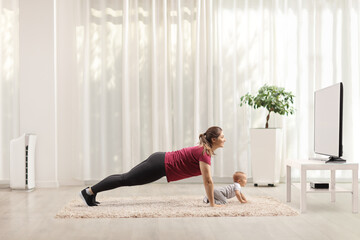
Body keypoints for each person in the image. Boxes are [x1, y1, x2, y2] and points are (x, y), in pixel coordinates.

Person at [79, 126, 226, 207]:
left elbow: (207, 180)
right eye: (222, 137)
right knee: (126, 179)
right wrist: (212, 204)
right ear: (214, 139)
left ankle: (91, 193)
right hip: (160, 165)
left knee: (126, 178)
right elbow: (208, 181)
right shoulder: (204, 153)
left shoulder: (204, 151)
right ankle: (89, 192)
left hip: (160, 161)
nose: (224, 139)